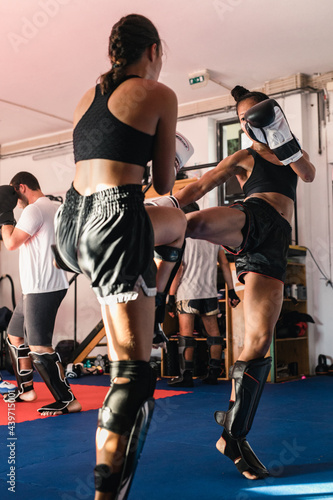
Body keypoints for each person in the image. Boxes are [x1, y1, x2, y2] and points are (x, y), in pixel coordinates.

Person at [53, 14, 188, 500]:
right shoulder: (160, 94)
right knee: (132, 375)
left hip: (70, 225)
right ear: (153, 50)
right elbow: (165, 185)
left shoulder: (85, 98)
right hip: (114, 222)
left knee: (177, 225)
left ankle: (152, 299)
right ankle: (104, 495)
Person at [171, 85, 316, 480]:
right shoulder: (244, 156)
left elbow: (309, 173)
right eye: (240, 120)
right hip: (251, 218)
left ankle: (233, 435)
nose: (246, 125)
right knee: (195, 223)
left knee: (257, 344)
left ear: (271, 116)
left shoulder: (290, 154)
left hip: (273, 247)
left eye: (253, 117)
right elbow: (201, 187)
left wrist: (283, 139)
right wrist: (169, 192)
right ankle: (142, 221)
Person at [0, 172, 81, 416]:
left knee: (39, 345)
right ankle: (26, 390)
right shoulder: (57, 206)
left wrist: (4, 215)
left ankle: (67, 400)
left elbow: (11, 242)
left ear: (21, 187)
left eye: (16, 195)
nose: (16, 201)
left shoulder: (33, 210)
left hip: (42, 287)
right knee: (14, 336)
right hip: (42, 286)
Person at [167, 202, 240, 387]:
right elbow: (224, 264)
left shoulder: (183, 237)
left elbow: (179, 269)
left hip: (187, 293)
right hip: (209, 293)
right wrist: (231, 290)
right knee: (214, 334)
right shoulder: (213, 238)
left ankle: (186, 376)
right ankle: (213, 374)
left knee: (186, 335)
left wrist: (170, 296)